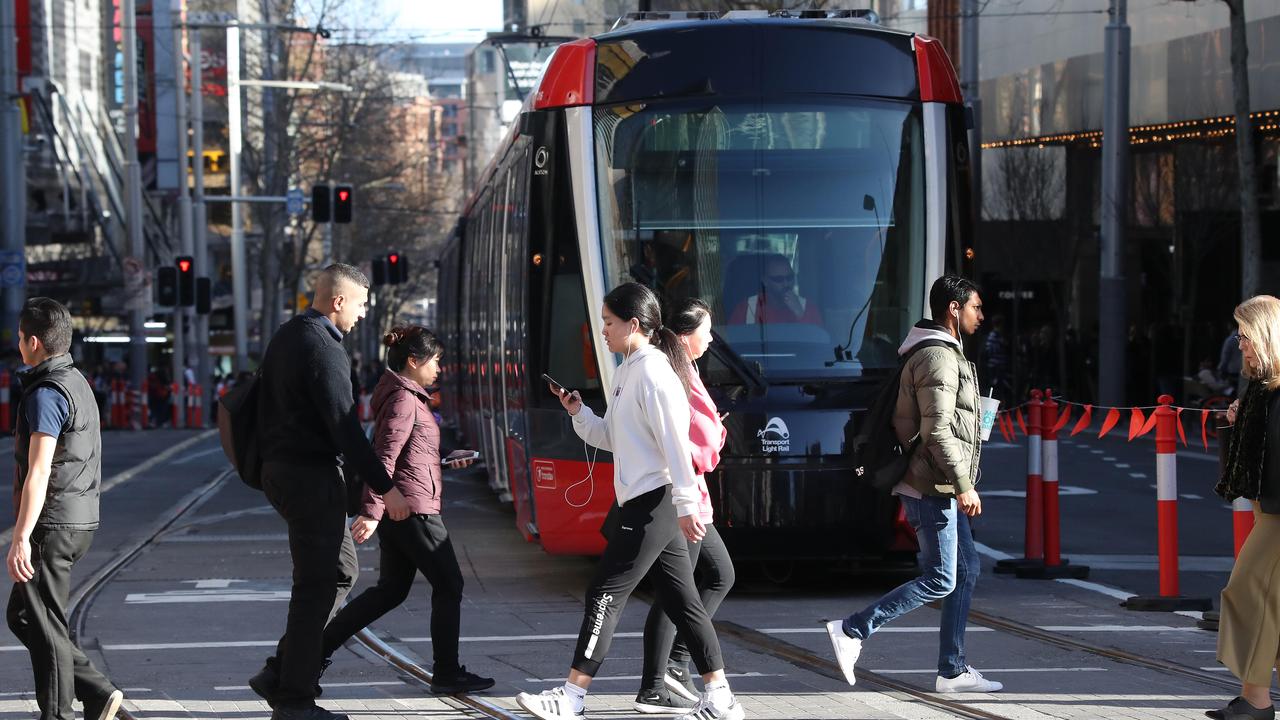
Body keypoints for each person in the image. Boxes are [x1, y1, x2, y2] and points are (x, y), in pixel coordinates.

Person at [516, 282, 746, 720]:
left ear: (633, 324)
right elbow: (614, 437)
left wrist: (685, 504)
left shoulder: (654, 373)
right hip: (644, 500)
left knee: (604, 593)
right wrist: (578, 413)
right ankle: (721, 698)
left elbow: (676, 445)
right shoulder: (627, 370)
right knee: (683, 601)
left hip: (652, 502)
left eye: (608, 322)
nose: (601, 330)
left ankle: (571, 697)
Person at [248, 264, 412, 720]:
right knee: (317, 584)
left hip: (285, 472)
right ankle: (295, 701)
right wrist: (386, 488)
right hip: (309, 477)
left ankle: (281, 672)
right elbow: (346, 430)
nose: (363, 314)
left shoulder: (288, 334)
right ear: (338, 301)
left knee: (338, 571)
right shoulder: (323, 348)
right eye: (360, 304)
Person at [827, 275, 1002, 695]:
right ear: (954, 310)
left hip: (937, 482)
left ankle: (952, 669)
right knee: (942, 578)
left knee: (967, 570)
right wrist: (964, 484)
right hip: (930, 484)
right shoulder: (938, 358)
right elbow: (937, 430)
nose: (982, 315)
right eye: (976, 307)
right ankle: (853, 629)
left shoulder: (945, 353)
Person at [320, 325, 494, 694]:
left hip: (405, 503)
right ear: (414, 362)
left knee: (391, 590)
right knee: (449, 584)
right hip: (412, 509)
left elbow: (406, 455)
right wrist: (370, 509)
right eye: (435, 361)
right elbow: (383, 456)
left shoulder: (406, 395)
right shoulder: (403, 399)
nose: (439, 369)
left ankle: (315, 651)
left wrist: (444, 460)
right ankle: (447, 673)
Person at [6, 297, 123, 720]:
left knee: (45, 623)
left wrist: (20, 537)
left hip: (52, 523)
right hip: (78, 519)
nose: (20, 346)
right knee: (24, 616)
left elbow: (38, 471)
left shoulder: (45, 394)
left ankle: (59, 714)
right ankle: (96, 689)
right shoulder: (76, 381)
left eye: (21, 339)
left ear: (34, 342)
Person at [634, 298, 736, 714]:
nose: (710, 340)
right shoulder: (674, 371)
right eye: (705, 332)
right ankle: (659, 680)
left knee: (711, 578)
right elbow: (705, 441)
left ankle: (670, 669)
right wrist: (717, 433)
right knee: (679, 590)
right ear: (684, 334)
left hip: (689, 495)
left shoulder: (679, 367)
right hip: (681, 496)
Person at [1210, 295, 1280, 720]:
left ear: (1265, 335)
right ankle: (1255, 699)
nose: (1240, 345)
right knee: (1272, 602)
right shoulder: (1260, 389)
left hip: (1278, 512)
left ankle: (1256, 700)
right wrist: (1241, 424)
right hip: (1265, 505)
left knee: (1245, 592)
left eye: (1244, 335)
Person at [728, 254, 822, 326]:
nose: (786, 284)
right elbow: (731, 343)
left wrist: (799, 313)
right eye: (778, 279)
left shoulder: (808, 308)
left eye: (789, 277)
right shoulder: (746, 309)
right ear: (765, 281)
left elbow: (819, 345)